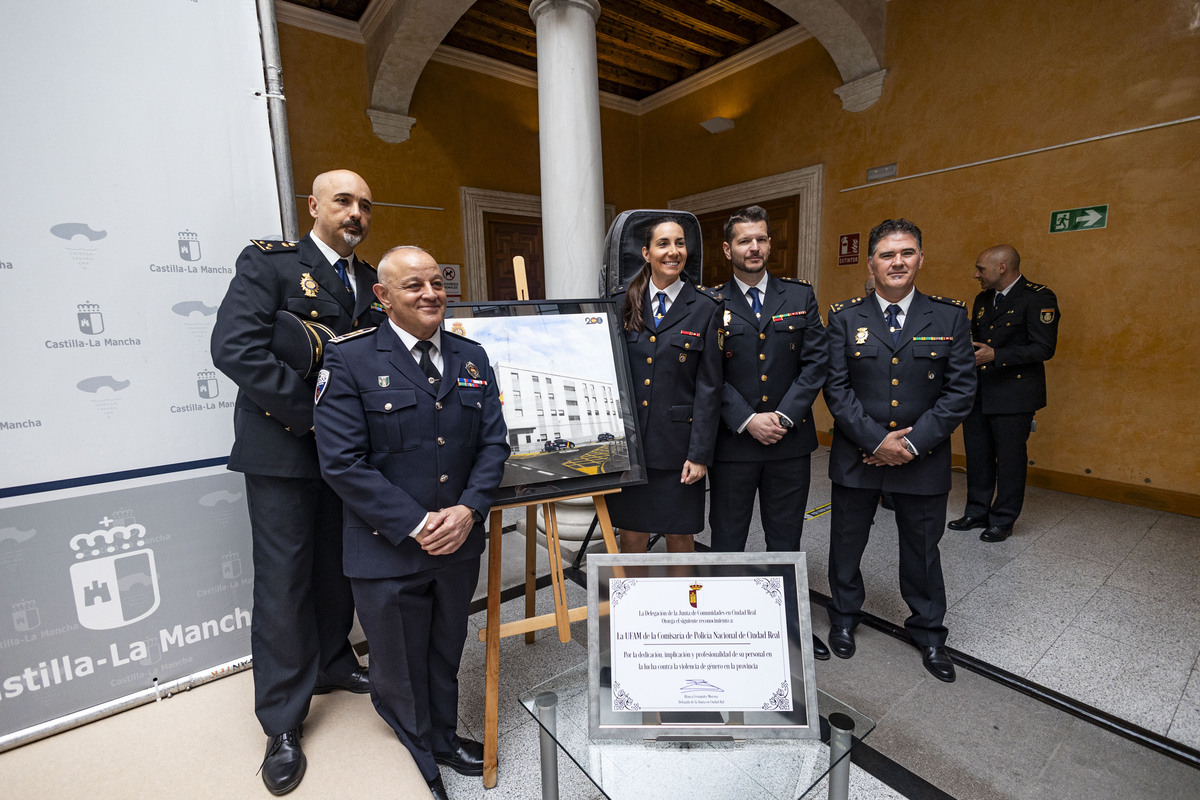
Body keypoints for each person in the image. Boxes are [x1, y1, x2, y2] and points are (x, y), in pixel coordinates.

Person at [313, 246, 509, 800]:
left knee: (446, 650)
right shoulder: (349, 360)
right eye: (413, 286)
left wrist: (469, 510)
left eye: (437, 283)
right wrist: (420, 522)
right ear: (383, 296)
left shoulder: (472, 357)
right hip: (388, 549)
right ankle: (417, 760)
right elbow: (342, 463)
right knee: (397, 665)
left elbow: (493, 445)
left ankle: (443, 737)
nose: (430, 294)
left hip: (458, 542)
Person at [211, 169, 383, 795]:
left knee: (339, 568)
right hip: (283, 451)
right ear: (314, 206)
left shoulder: (371, 280)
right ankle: (282, 719)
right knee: (284, 585)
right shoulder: (272, 266)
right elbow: (236, 348)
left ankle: (335, 663)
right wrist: (318, 419)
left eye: (365, 205)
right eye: (343, 201)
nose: (355, 213)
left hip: (349, 459)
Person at [822, 219, 976, 682]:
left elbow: (960, 392)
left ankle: (929, 632)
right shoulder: (845, 318)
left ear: (921, 259)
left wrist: (907, 444)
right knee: (847, 542)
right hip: (857, 455)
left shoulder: (949, 317)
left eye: (907, 253)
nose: (897, 262)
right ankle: (845, 616)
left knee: (923, 549)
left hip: (922, 459)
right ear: (871, 263)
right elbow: (836, 388)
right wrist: (874, 441)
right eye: (887, 255)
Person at [706, 206, 830, 660]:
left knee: (785, 538)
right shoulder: (709, 302)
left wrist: (782, 417)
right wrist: (747, 419)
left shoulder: (799, 296)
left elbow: (816, 362)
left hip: (789, 442)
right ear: (727, 249)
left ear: (769, 244)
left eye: (760, 239)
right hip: (733, 444)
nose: (753, 248)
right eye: (744, 241)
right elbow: (708, 373)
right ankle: (724, 626)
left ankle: (788, 625)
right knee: (727, 538)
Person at [607, 218, 722, 554]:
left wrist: (700, 454)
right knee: (631, 536)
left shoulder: (706, 306)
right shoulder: (621, 302)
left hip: (679, 447)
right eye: (663, 244)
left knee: (681, 536)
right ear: (646, 253)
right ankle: (633, 605)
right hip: (634, 449)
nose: (673, 251)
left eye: (680, 243)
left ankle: (682, 606)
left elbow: (710, 386)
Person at [948, 245, 1059, 542]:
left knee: (1010, 460)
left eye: (980, 269)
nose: (976, 275)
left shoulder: (1038, 298)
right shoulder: (983, 299)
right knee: (978, 456)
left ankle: (1003, 519)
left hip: (1014, 394)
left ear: (1001, 268)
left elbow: (1044, 348)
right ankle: (976, 511)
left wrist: (997, 354)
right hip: (980, 391)